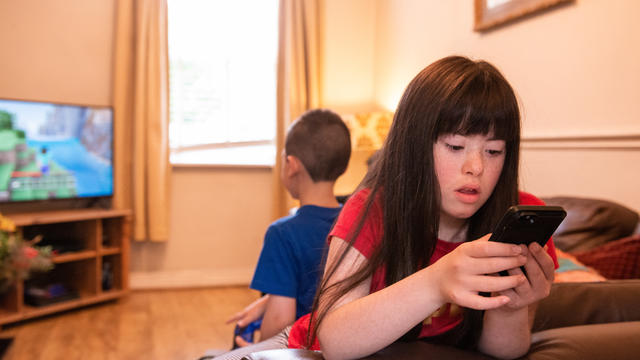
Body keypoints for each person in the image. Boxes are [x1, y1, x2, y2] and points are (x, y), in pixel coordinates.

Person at [212, 55, 559, 360]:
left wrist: (513, 307)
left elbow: (503, 350)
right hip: (306, 346)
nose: (476, 167)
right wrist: (438, 281)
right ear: (414, 145)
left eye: (494, 151)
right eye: (455, 146)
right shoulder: (372, 209)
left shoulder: (520, 216)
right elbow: (333, 340)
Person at [206, 109, 352, 358]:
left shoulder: (282, 233)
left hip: (300, 350)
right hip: (343, 343)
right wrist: (265, 303)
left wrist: (256, 350)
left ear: (292, 165)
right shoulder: (354, 224)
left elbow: (279, 321)